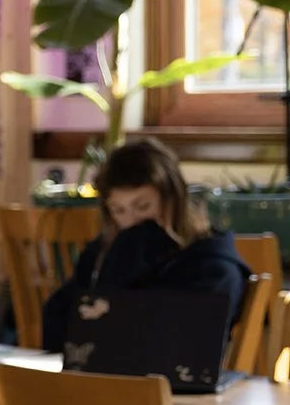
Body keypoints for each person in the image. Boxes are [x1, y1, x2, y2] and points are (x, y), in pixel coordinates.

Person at [41, 138, 252, 352]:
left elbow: (173, 346)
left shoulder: (213, 267)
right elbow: (56, 331)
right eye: (118, 210)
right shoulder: (104, 254)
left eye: (143, 207)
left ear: (172, 201)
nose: (130, 221)